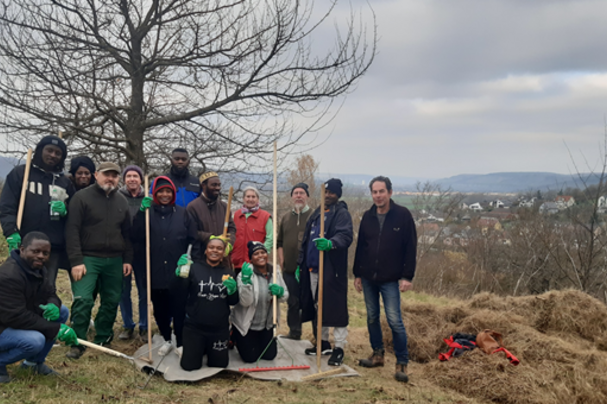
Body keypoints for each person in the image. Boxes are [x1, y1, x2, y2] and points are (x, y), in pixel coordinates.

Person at [64, 162, 133, 359]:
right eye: (106, 174)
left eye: (114, 175)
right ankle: (77, 341)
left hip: (114, 260)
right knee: (83, 299)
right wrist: (76, 261)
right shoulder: (81, 197)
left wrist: (127, 259)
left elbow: (126, 234)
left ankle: (103, 337)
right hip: (87, 258)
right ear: (96, 175)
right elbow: (72, 230)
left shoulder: (122, 201)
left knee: (111, 301)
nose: (110, 178)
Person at [353, 176, 417, 383]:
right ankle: (378, 354)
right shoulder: (367, 217)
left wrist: (407, 276)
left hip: (390, 279)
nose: (378, 196)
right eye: (374, 192)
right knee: (372, 317)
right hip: (369, 277)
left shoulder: (403, 216)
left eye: (382, 191)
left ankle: (402, 362)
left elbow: (411, 247)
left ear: (390, 192)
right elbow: (361, 246)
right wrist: (357, 273)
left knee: (394, 320)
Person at [0, 232, 78, 384]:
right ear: (22, 249)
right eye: (35, 251)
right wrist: (55, 329)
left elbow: (51, 293)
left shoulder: (38, 268)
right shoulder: (9, 275)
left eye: (45, 253)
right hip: (4, 325)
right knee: (34, 341)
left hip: (16, 319)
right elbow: (16, 317)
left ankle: (33, 364)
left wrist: (53, 305)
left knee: (62, 312)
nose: (41, 256)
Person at [133, 176, 197, 356]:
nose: (164, 195)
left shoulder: (183, 213)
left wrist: (189, 258)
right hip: (154, 269)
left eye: (168, 191)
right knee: (160, 309)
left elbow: (193, 239)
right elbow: (135, 235)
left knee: (179, 307)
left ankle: (181, 341)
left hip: (178, 271)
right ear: (154, 193)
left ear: (173, 193)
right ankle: (167, 338)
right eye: (160, 191)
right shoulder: (147, 213)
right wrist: (140, 213)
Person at [0, 135, 75, 284]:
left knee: (46, 287)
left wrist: (66, 210)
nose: (53, 155)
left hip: (51, 248)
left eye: (58, 153)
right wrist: (11, 232)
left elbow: (75, 212)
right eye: (49, 150)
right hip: (24, 243)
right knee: (17, 284)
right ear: (41, 150)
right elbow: (6, 206)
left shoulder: (64, 182)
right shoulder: (21, 173)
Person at [298, 178, 353, 367]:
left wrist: (331, 243)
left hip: (332, 270)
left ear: (338, 195)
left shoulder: (341, 213)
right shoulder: (317, 213)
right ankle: (322, 343)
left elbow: (345, 235)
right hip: (313, 269)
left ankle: (339, 348)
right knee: (317, 307)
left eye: (331, 193)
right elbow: (306, 240)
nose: (328, 196)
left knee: (336, 309)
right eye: (325, 192)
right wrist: (301, 264)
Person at [176, 237, 239, 371]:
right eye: (211, 247)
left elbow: (233, 301)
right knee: (189, 366)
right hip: (194, 328)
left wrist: (233, 291)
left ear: (224, 252)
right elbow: (179, 293)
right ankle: (200, 347)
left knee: (219, 365)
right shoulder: (193, 268)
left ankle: (206, 348)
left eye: (219, 248)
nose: (215, 250)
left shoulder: (229, 273)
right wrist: (178, 276)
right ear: (205, 251)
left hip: (219, 329)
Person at [232, 241, 288, 363]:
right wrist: (246, 283)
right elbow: (246, 302)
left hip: (266, 325)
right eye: (256, 254)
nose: (260, 255)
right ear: (251, 258)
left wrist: (280, 292)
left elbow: (285, 296)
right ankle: (235, 336)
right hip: (248, 326)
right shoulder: (245, 274)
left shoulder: (275, 272)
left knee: (269, 356)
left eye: (263, 252)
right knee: (250, 358)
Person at [277, 183, 313, 340]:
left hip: (309, 270)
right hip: (289, 269)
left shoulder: (314, 216)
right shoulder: (285, 217)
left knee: (311, 303)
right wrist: (281, 261)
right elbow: (279, 242)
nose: (298, 195)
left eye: (302, 193)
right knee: (292, 302)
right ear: (292, 197)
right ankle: (294, 332)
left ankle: (318, 338)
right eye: (296, 193)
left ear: (307, 196)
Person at [117, 165, 148, 342]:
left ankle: (144, 326)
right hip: (123, 249)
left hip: (143, 250)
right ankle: (127, 325)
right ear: (124, 179)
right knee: (124, 290)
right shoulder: (117, 197)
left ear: (141, 179)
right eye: (128, 176)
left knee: (144, 291)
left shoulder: (148, 198)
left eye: (135, 176)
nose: (132, 179)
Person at [186, 171, 236, 262]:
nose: (217, 188)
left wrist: (229, 243)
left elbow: (232, 228)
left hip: (223, 260)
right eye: (213, 185)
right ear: (203, 186)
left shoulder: (224, 206)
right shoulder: (192, 207)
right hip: (202, 259)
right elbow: (191, 232)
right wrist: (211, 238)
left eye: (219, 185)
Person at [232, 186, 273, 274]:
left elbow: (270, 238)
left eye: (253, 197)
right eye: (248, 196)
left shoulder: (265, 217)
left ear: (258, 199)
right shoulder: (236, 215)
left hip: (255, 264)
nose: (250, 199)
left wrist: (261, 255)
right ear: (243, 199)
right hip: (236, 263)